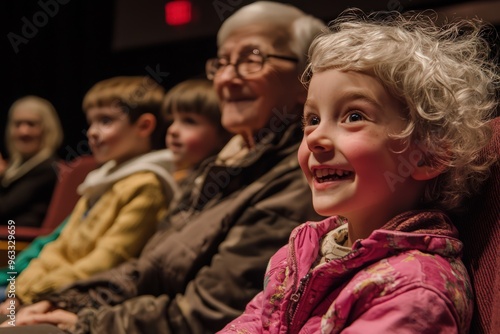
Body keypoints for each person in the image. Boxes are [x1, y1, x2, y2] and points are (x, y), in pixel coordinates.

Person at [2, 2, 326, 332]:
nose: (227, 78)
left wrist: (85, 319)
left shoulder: (298, 176)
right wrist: (65, 300)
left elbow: (210, 311)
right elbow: (143, 270)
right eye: (223, 62)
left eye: (252, 59)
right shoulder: (218, 168)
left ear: (306, 78)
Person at [219, 9, 499, 333]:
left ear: (428, 157)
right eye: (311, 120)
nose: (316, 139)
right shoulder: (300, 253)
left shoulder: (417, 287)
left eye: (354, 116)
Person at [0, 76, 179, 308]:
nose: (92, 132)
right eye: (91, 122)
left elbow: (105, 262)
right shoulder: (100, 181)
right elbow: (58, 247)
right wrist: (21, 288)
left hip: (75, 299)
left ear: (144, 126)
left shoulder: (147, 186)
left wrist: (25, 293)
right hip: (40, 288)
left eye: (105, 121)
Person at [0, 96, 63, 227]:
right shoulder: (12, 167)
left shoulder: (49, 169)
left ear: (47, 129)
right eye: (18, 124)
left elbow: (4, 209)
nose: (24, 132)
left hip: (17, 243)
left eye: (31, 124)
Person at [163, 78, 232, 183]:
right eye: (172, 121)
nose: (172, 130)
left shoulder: (220, 182)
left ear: (224, 134)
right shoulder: (181, 177)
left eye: (189, 121)